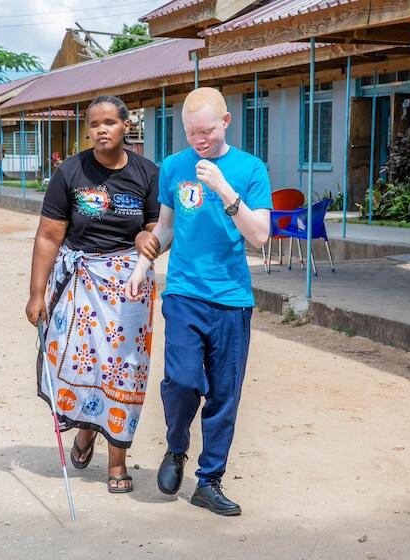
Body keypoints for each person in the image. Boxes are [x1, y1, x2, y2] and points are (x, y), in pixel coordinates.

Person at [125, 87, 272, 516]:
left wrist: (226, 190)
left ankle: (209, 481)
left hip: (231, 299)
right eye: (191, 133)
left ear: (225, 122)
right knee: (183, 382)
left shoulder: (250, 169)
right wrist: (142, 265)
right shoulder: (173, 167)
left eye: (205, 131)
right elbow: (166, 229)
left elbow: (260, 235)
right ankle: (176, 448)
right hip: (185, 294)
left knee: (225, 394)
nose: (198, 140)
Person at [27, 95, 160, 494]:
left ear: (126, 127)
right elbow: (49, 235)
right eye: (94, 124)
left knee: (125, 369)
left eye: (110, 123)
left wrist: (143, 236)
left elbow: (157, 227)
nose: (101, 130)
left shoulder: (147, 173)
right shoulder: (69, 171)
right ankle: (86, 431)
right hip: (80, 280)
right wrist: (36, 294)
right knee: (86, 368)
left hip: (129, 284)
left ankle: (117, 460)